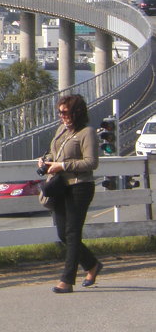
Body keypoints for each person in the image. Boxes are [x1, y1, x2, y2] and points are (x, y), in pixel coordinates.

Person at [38, 93, 103, 293]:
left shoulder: (87, 133)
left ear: (76, 112)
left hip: (79, 186)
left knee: (72, 233)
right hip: (60, 187)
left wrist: (63, 165)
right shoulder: (61, 130)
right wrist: (45, 160)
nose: (61, 116)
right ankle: (92, 264)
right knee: (62, 233)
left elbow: (91, 162)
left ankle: (66, 280)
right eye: (59, 112)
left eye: (65, 112)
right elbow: (54, 152)